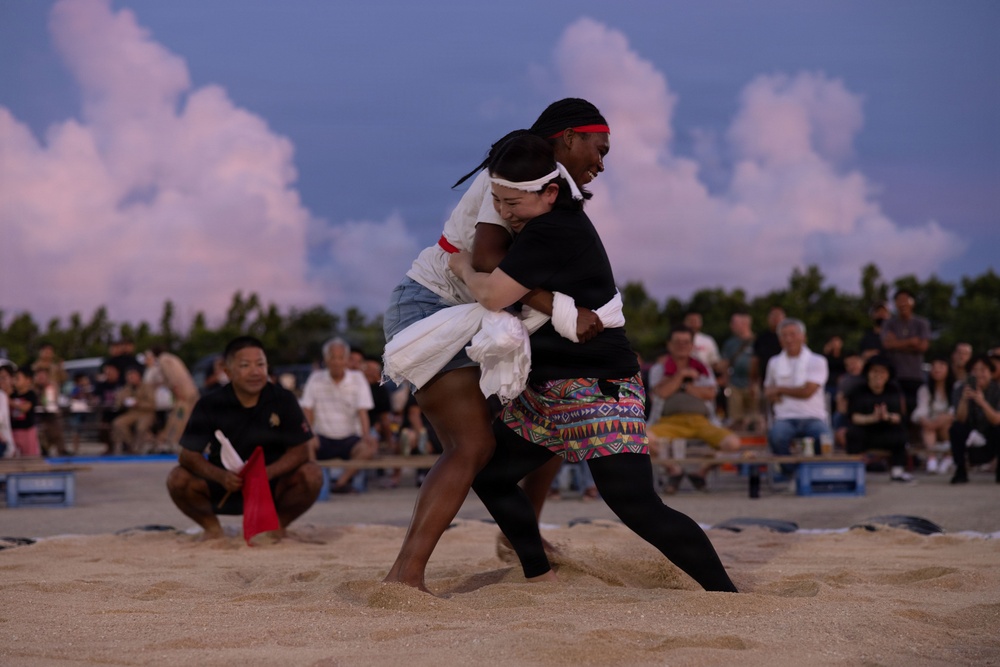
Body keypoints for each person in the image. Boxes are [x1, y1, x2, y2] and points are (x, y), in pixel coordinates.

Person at [449, 133, 737, 593]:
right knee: (491, 475)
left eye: (513, 203)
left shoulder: (554, 228)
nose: (503, 212)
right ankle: (538, 575)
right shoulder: (542, 221)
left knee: (636, 505)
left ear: (548, 192)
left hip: (597, 387)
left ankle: (725, 593)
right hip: (549, 391)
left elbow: (491, 292)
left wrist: (462, 266)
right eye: (497, 201)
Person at [381, 99, 611, 591]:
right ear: (570, 137)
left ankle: (517, 534)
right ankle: (404, 576)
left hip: (482, 313)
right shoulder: (514, 171)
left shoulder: (553, 186)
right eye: (599, 147)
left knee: (548, 411)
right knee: (472, 445)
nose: (602, 162)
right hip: (434, 307)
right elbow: (486, 258)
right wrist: (561, 307)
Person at [166, 336, 323, 539]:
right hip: (225, 485)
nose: (255, 371)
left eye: (260, 364)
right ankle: (212, 529)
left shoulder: (283, 399)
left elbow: (301, 450)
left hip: (271, 485)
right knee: (177, 479)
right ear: (228, 371)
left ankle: (277, 526)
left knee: (312, 474)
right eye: (245, 365)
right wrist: (220, 476)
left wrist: (267, 473)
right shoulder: (209, 403)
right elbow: (187, 455)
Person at [646, 327, 741, 494]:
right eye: (677, 342)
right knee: (642, 439)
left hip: (701, 421)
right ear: (669, 344)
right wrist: (682, 375)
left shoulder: (702, 367)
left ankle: (700, 472)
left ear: (692, 345)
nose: (681, 346)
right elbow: (661, 393)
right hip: (669, 421)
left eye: (686, 342)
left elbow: (710, 393)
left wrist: (681, 386)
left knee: (733, 443)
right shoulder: (659, 369)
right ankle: (674, 470)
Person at [299, 338, 377, 493]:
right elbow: (307, 409)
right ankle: (317, 483)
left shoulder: (358, 379)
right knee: (305, 443)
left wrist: (366, 434)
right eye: (332, 357)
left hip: (349, 438)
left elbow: (363, 411)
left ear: (346, 360)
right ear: (325, 359)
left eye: (340, 357)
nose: (336, 362)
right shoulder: (315, 378)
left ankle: (341, 482)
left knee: (370, 446)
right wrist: (310, 434)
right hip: (322, 437)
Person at [763, 318, 832, 475]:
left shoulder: (817, 360)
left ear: (803, 337)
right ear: (780, 340)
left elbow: (807, 392)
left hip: (813, 417)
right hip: (785, 418)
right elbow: (768, 392)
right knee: (777, 437)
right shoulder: (774, 362)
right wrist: (778, 393)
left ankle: (814, 474)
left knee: (825, 439)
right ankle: (793, 474)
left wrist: (780, 389)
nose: (788, 339)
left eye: (793, 334)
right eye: (784, 335)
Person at [845, 355, 913, 482]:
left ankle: (897, 471)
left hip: (887, 431)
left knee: (901, 433)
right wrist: (872, 418)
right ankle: (854, 472)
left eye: (882, 371)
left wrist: (887, 416)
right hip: (865, 431)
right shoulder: (858, 390)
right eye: (875, 371)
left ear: (888, 374)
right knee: (852, 433)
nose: (878, 375)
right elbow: (854, 417)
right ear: (868, 373)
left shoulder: (894, 390)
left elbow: (899, 416)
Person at [947, 355, 1000, 485]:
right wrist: (965, 400)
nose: (979, 374)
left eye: (983, 370)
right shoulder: (961, 389)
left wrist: (982, 402)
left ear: (991, 372)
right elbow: (960, 419)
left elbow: (997, 420)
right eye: (975, 370)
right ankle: (960, 471)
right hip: (970, 431)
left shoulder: (997, 390)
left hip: (990, 433)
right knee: (956, 428)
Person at [881, 289, 931, 420]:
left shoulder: (921, 323)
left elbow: (923, 347)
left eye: (905, 300)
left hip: (916, 375)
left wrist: (897, 344)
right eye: (899, 301)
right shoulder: (889, 323)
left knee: (916, 410)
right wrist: (911, 342)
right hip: (895, 375)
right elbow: (887, 345)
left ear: (912, 303)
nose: (902, 304)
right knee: (898, 409)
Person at [146, 347, 199, 452]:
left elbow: (172, 376)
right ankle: (177, 441)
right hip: (191, 391)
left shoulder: (163, 360)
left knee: (179, 417)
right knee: (186, 417)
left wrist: (177, 391)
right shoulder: (173, 358)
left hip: (183, 394)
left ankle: (172, 441)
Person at [911, 357, 955, 474]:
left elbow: (955, 411)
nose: (937, 369)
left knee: (947, 424)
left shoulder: (955, 388)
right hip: (931, 424)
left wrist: (943, 419)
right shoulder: (924, 389)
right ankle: (932, 459)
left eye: (941, 366)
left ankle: (948, 457)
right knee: (927, 427)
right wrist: (925, 421)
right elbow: (921, 409)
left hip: (948, 423)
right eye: (934, 367)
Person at [719, 312, 758, 431]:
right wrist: (726, 382)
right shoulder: (730, 343)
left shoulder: (757, 341)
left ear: (745, 324)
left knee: (755, 417)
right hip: (734, 384)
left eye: (734, 323)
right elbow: (725, 363)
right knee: (736, 418)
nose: (731, 326)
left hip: (754, 384)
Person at [110, 367, 157, 455]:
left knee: (141, 427)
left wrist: (138, 403)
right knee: (118, 423)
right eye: (129, 377)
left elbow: (152, 404)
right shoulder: (126, 388)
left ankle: (139, 447)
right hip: (132, 413)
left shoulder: (147, 387)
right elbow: (118, 404)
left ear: (139, 376)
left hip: (146, 413)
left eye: (133, 376)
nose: (131, 379)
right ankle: (132, 445)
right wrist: (123, 401)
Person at [9, 368, 41, 457]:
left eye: (18, 378)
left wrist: (10, 402)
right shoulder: (12, 394)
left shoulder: (31, 395)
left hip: (27, 430)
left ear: (28, 380)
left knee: (29, 455)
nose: (15, 381)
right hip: (14, 430)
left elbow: (25, 408)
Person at [0, 363, 15, 457]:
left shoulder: (5, 396)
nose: (2, 381)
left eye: (4, 377)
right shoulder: (1, 395)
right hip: (3, 442)